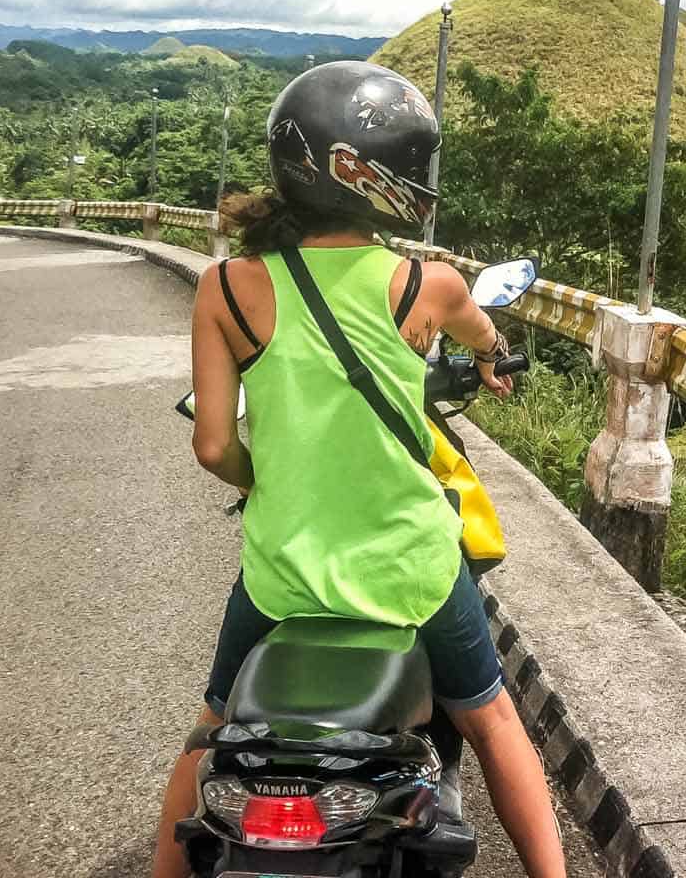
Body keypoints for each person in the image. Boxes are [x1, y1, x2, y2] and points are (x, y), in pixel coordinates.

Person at [150, 61, 567, 878]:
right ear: (379, 179)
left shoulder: (226, 289)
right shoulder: (428, 284)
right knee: (492, 724)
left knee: (210, 731)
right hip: (408, 564)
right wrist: (492, 362)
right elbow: (486, 338)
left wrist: (271, 482)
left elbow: (211, 445)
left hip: (285, 568)